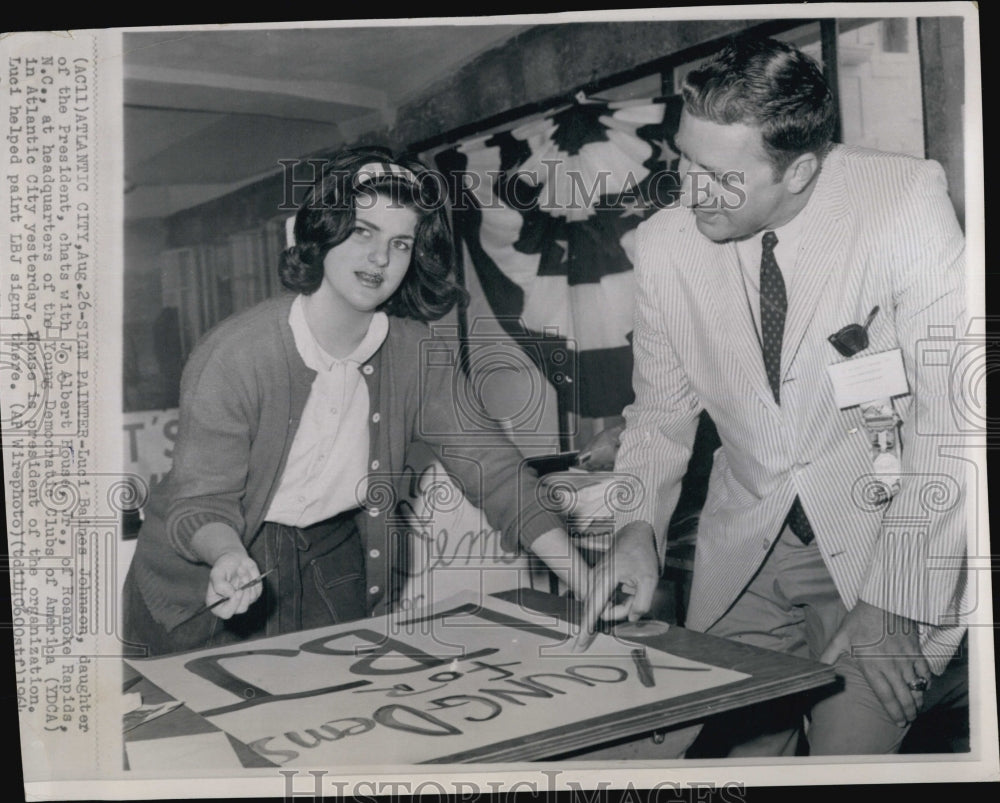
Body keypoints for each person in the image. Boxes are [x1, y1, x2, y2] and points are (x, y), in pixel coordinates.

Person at [578, 36, 969, 755]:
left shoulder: (903, 201)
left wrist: (893, 601)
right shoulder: (665, 245)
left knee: (847, 762)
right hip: (747, 546)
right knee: (716, 760)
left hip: (886, 548)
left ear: (800, 171)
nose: (691, 190)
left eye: (720, 175)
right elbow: (661, 417)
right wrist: (637, 528)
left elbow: (955, 419)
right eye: (684, 160)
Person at [123, 147, 591, 656]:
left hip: (332, 556)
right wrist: (228, 557)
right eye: (363, 231)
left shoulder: (415, 353)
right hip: (208, 569)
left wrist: (587, 582)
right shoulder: (236, 354)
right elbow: (201, 502)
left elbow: (496, 473)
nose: (380, 258)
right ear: (322, 231)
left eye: (401, 243)